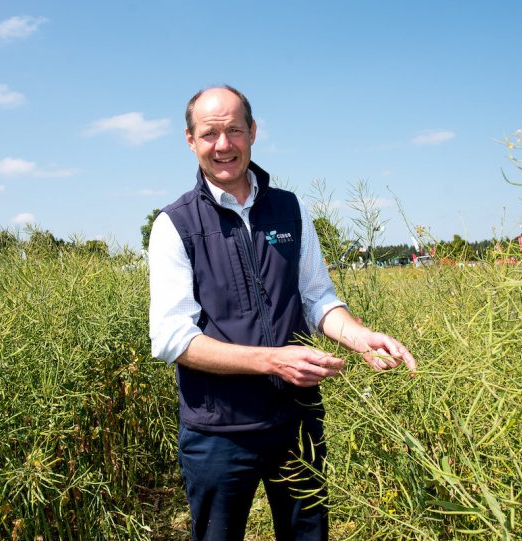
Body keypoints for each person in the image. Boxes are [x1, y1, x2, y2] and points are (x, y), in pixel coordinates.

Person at [148, 85, 417, 541]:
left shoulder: (290, 210)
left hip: (296, 420)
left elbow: (317, 299)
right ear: (191, 141)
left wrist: (357, 335)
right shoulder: (175, 225)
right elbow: (172, 338)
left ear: (253, 132)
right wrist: (273, 360)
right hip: (219, 433)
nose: (224, 145)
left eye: (234, 130)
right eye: (210, 134)